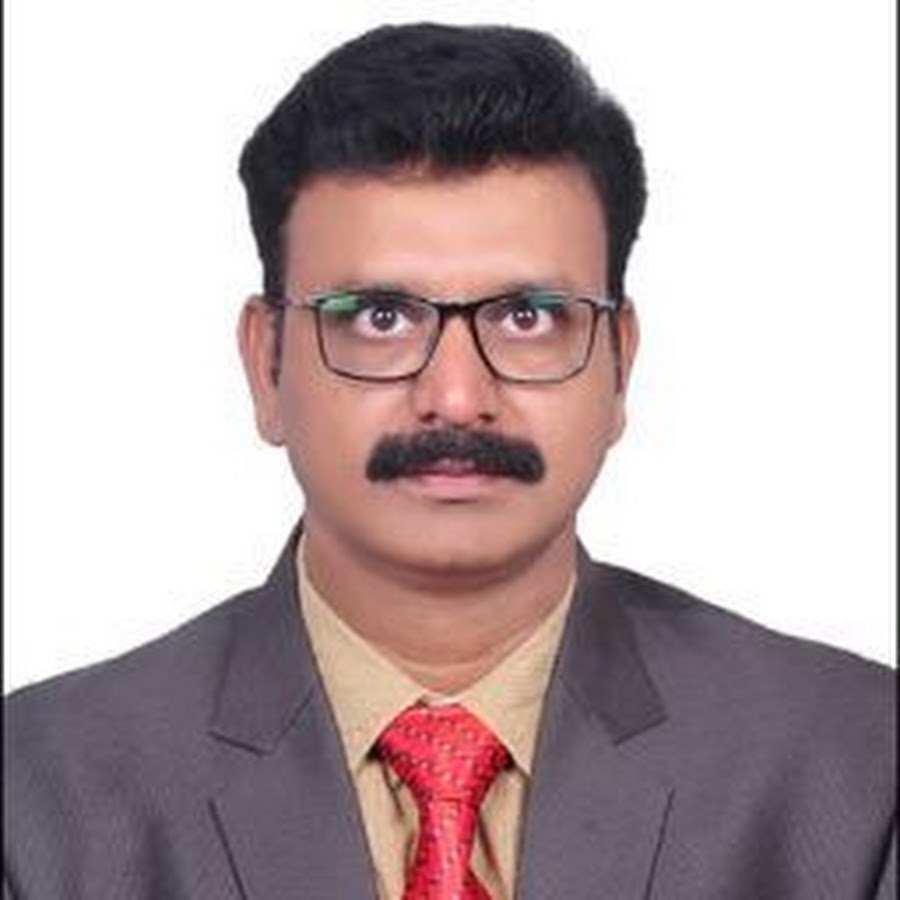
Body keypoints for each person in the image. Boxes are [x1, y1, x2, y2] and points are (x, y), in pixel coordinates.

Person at [4, 22, 894, 900]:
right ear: (265, 364)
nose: (458, 397)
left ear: (620, 362)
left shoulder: (858, 766)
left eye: (528, 317)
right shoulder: (37, 793)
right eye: (380, 317)